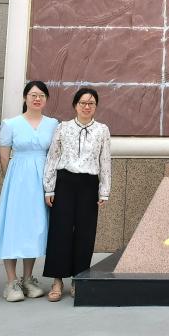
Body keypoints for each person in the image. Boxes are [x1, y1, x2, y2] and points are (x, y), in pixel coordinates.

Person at [0, 80, 58, 302]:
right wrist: (10, 180)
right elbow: (4, 155)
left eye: (41, 95)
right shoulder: (11, 124)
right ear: (25, 97)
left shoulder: (53, 124)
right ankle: (11, 282)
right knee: (13, 226)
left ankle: (28, 278)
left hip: (42, 179)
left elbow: (55, 153)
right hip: (18, 179)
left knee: (34, 227)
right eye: (33, 95)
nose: (37, 99)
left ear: (46, 99)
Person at [43, 87, 112, 302]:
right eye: (83, 103)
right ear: (75, 105)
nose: (86, 107)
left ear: (96, 107)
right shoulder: (63, 127)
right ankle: (57, 280)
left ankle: (78, 278)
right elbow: (53, 157)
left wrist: (104, 190)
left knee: (85, 233)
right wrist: (49, 187)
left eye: (91, 103)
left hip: (89, 184)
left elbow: (105, 160)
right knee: (60, 230)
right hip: (65, 182)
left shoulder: (102, 130)